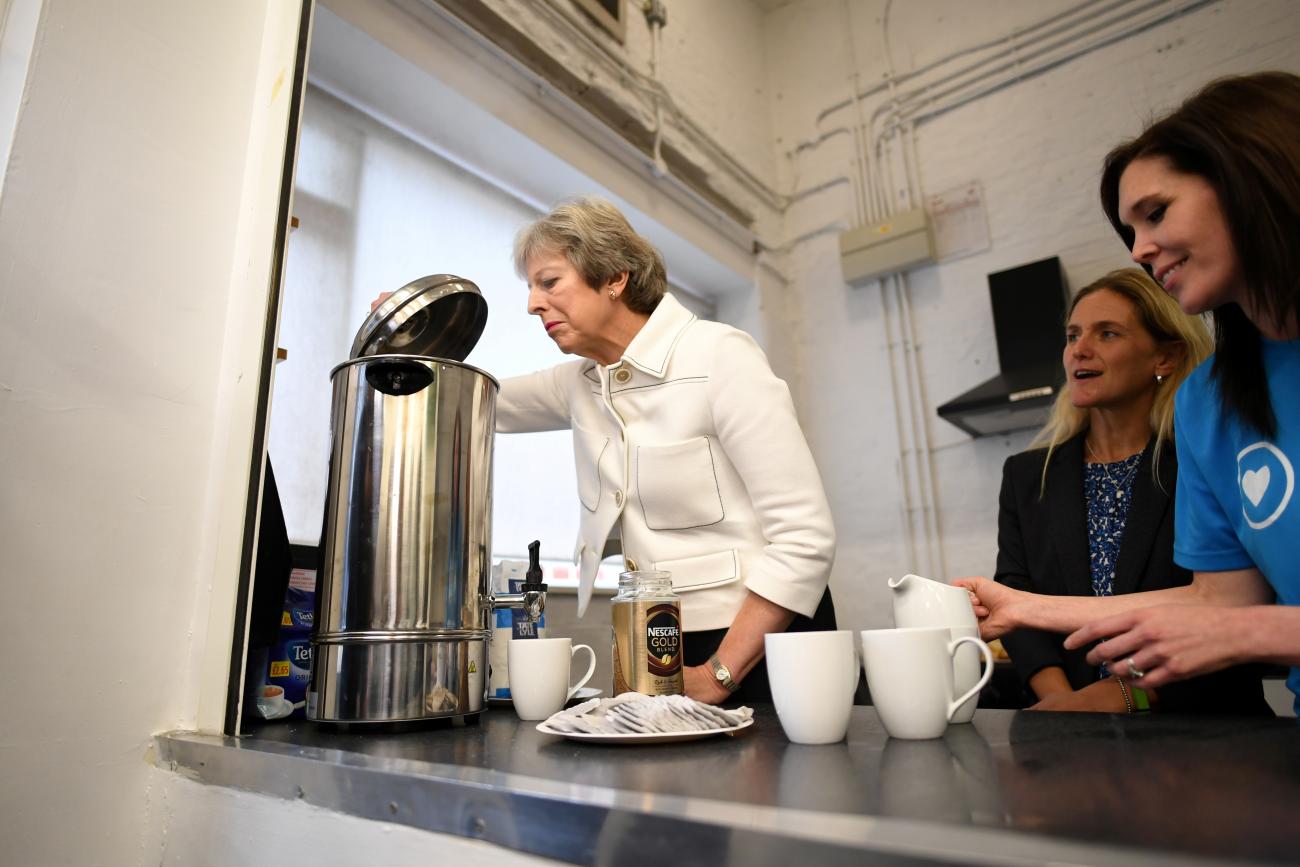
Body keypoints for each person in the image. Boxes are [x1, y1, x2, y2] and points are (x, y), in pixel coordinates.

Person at [958, 72, 1300, 715]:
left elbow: (1226, 622)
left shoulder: (1188, 427)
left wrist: (1237, 635)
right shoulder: (1213, 401)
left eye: (1157, 212)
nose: (1142, 248)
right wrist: (1022, 606)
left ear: (1249, 180)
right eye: (1131, 230)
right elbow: (1215, 601)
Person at [496, 197, 837, 703]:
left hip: (764, 642)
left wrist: (720, 672)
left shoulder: (719, 355)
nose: (532, 304)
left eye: (549, 282)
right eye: (530, 288)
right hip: (657, 640)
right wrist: (413, 335)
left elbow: (805, 538)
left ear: (614, 276)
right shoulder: (580, 382)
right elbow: (480, 402)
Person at [994, 268, 1268, 714]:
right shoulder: (1027, 475)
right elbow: (1017, 599)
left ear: (1166, 358)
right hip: (1070, 738)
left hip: (1203, 736)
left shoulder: (1201, 462)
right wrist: (1066, 705)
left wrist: (1126, 694)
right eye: (1073, 334)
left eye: (1108, 334)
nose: (1079, 349)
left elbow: (1228, 611)